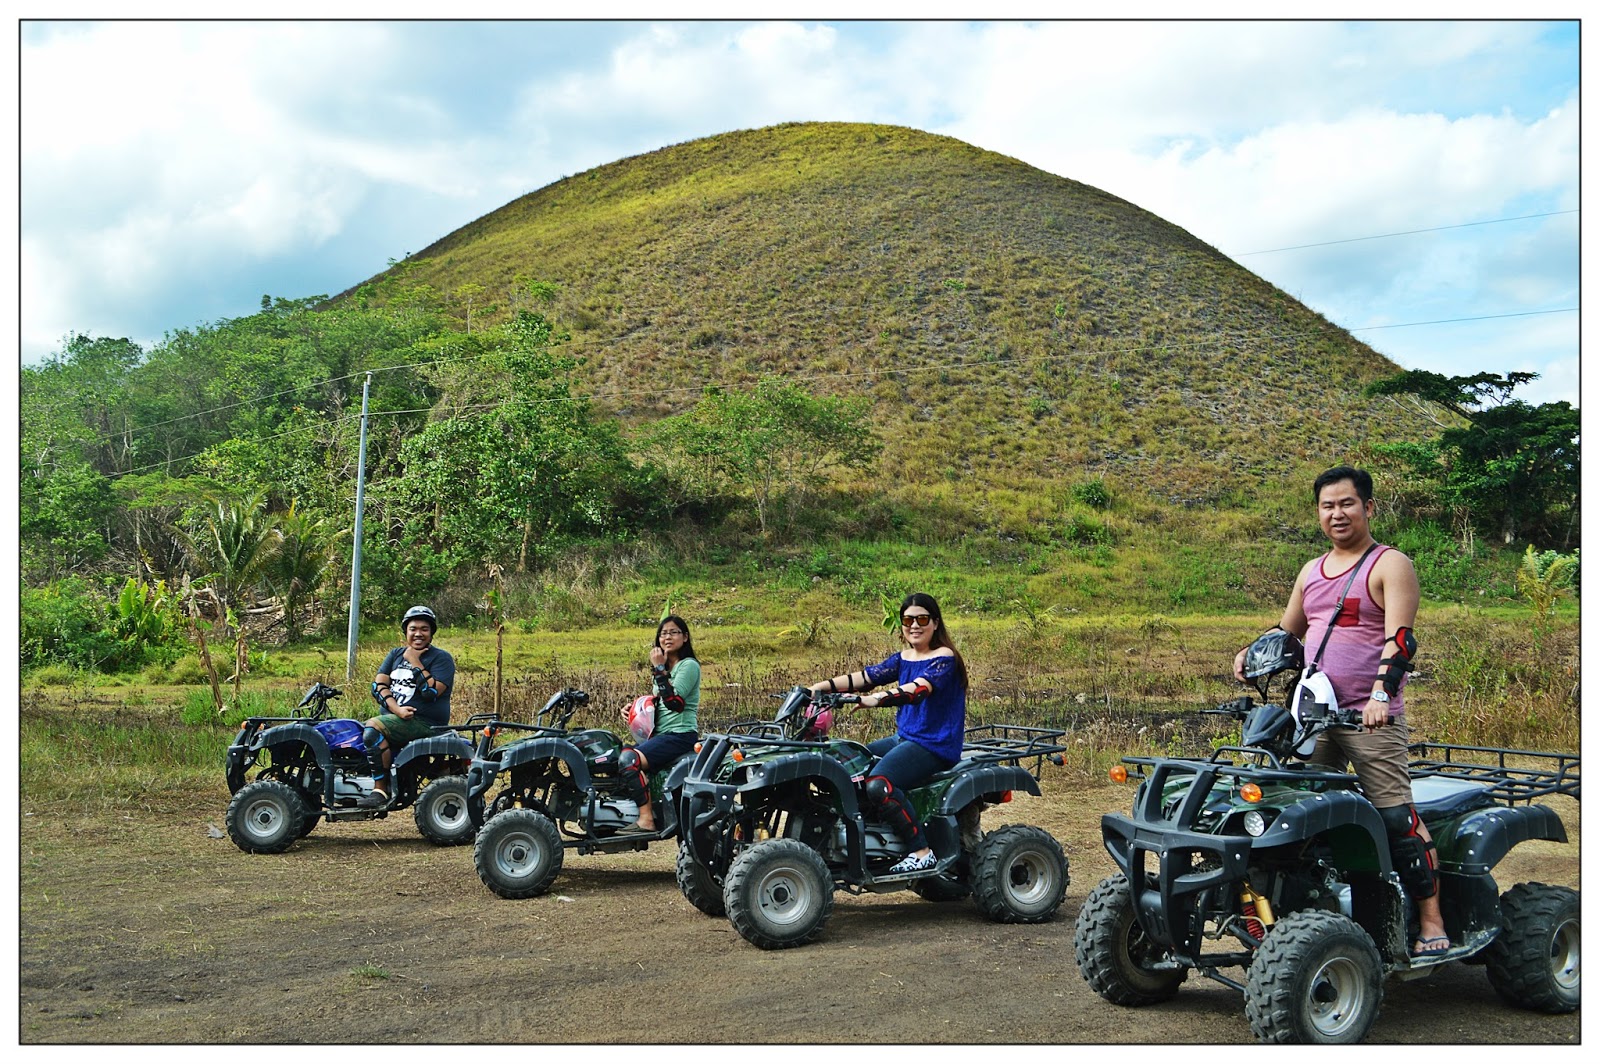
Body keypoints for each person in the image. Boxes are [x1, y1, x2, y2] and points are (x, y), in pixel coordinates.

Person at [1233, 466, 1447, 956]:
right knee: (1289, 813)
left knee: (1396, 816)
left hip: (1369, 716)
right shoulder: (1310, 571)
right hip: (1314, 716)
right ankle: (1300, 916)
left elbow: (1401, 640)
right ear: (1318, 513)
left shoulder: (1389, 565)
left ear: (1368, 508)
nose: (1337, 514)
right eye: (1328, 506)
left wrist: (1378, 698)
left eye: (1347, 504)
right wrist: (1251, 654)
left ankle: (1432, 920)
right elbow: (1287, 632)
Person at [809, 592, 968, 875]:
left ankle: (921, 851)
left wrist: (877, 699)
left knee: (879, 783)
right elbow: (866, 677)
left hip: (934, 744)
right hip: (905, 738)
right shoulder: (904, 657)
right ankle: (868, 840)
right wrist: (815, 688)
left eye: (921, 619)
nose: (914, 626)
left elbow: (918, 690)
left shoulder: (944, 659)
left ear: (935, 623)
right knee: (849, 765)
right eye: (908, 619)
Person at [358, 605, 456, 809]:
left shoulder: (441, 658)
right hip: (396, 719)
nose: (418, 633)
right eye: (413, 629)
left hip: (425, 722)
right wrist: (397, 709)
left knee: (373, 728)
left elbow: (431, 693)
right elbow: (378, 687)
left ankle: (380, 790)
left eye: (424, 629)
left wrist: (415, 662)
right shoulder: (395, 654)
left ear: (432, 632)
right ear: (406, 631)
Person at [617, 615, 701, 834]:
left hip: (680, 735)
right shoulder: (663, 670)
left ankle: (646, 820)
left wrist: (659, 668)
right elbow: (660, 702)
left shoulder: (689, 666)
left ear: (685, 637)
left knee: (629, 759)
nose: (667, 637)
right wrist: (634, 708)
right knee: (615, 752)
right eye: (663, 633)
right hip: (662, 735)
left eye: (673, 632)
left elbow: (674, 703)